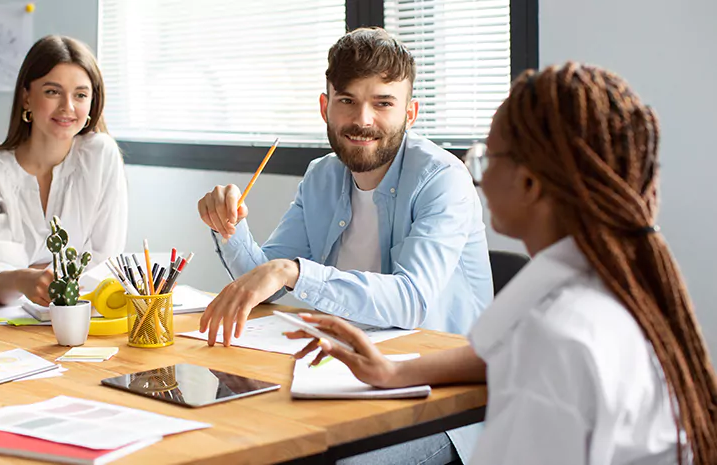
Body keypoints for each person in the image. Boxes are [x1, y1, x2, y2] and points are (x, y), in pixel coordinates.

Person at [288, 62, 717, 465]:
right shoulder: (603, 291)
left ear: (530, 183)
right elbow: (497, 355)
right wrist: (391, 371)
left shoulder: (559, 338)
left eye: (488, 158)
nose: (478, 176)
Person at [197, 27, 491, 464]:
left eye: (383, 103)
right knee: (224, 427)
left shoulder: (442, 178)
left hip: (437, 402)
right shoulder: (322, 175)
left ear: (410, 112)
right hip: (338, 375)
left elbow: (410, 300)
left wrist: (293, 271)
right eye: (347, 100)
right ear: (325, 106)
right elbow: (270, 283)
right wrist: (231, 229)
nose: (363, 119)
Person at [0, 35, 128, 307]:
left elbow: (106, 261)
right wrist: (22, 280)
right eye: (52, 91)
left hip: (82, 319)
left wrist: (16, 276)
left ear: (92, 102)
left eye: (80, 95)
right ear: (26, 97)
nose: (67, 107)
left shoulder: (100, 156)